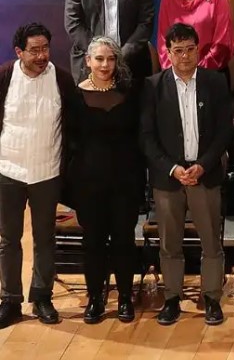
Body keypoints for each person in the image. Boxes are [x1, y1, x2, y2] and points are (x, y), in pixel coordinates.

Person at [140, 23, 233, 326]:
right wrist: (173, 168)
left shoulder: (215, 82)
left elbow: (224, 131)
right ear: (168, 53)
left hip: (204, 173)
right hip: (169, 177)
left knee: (211, 242)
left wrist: (204, 164)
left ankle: (211, 298)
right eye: (178, 51)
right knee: (170, 243)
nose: (184, 56)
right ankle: (171, 299)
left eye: (190, 49)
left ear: (198, 49)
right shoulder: (153, 86)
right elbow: (146, 136)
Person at [0, 23, 77, 328]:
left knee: (45, 238)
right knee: (8, 239)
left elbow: (75, 125)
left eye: (45, 48)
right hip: (8, 169)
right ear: (19, 52)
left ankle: (42, 296)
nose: (42, 55)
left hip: (47, 171)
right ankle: (10, 300)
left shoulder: (61, 79)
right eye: (34, 50)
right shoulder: (5, 77)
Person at [70, 36, 143, 324]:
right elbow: (70, 142)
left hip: (125, 182)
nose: (105, 65)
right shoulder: (75, 96)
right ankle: (95, 299)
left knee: (124, 241)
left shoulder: (131, 92)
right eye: (99, 59)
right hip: (89, 184)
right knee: (94, 243)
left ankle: (125, 298)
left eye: (110, 59)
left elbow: (139, 138)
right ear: (88, 61)